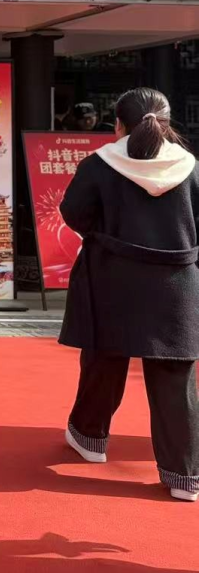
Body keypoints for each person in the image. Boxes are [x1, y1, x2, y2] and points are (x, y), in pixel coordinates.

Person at [59, 87, 199, 503]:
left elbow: (73, 212)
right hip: (177, 284)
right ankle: (184, 476)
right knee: (175, 379)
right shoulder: (190, 167)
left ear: (117, 124)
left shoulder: (100, 164)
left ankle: (89, 438)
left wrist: (105, 236)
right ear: (166, 124)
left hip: (112, 276)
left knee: (104, 358)